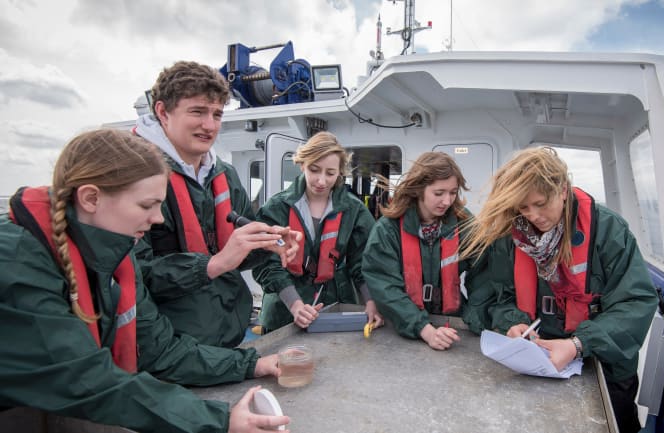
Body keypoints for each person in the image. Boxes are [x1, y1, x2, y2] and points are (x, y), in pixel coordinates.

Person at [0, 129, 289, 432]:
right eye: (146, 206)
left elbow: (159, 348)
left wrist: (251, 364)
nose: (158, 219)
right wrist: (220, 421)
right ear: (90, 198)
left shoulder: (116, 257)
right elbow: (85, 380)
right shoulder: (16, 261)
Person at [460, 146, 657, 433]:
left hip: (601, 365)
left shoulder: (609, 230)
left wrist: (577, 345)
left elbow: (636, 302)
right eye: (523, 208)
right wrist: (512, 323)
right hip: (534, 364)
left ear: (562, 190)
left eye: (541, 203)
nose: (533, 216)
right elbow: (497, 297)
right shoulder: (508, 236)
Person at [133, 60, 299, 347]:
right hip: (167, 349)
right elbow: (133, 277)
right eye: (197, 112)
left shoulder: (225, 175)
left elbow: (234, 254)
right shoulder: (132, 173)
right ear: (163, 112)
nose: (209, 125)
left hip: (223, 337)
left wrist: (264, 244)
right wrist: (215, 263)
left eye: (217, 114)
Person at [253, 131, 383, 331]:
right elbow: (266, 264)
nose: (321, 181)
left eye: (330, 173)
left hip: (336, 307)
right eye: (314, 170)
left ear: (340, 172)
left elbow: (365, 262)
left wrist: (371, 300)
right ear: (302, 164)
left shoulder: (354, 210)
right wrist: (295, 304)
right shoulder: (276, 207)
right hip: (283, 313)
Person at [362, 152, 492, 350]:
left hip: (452, 324)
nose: (447, 201)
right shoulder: (387, 230)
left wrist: (476, 319)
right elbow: (386, 287)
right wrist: (425, 329)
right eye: (439, 193)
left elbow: (486, 274)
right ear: (418, 190)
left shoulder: (464, 223)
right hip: (403, 326)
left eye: (453, 192)